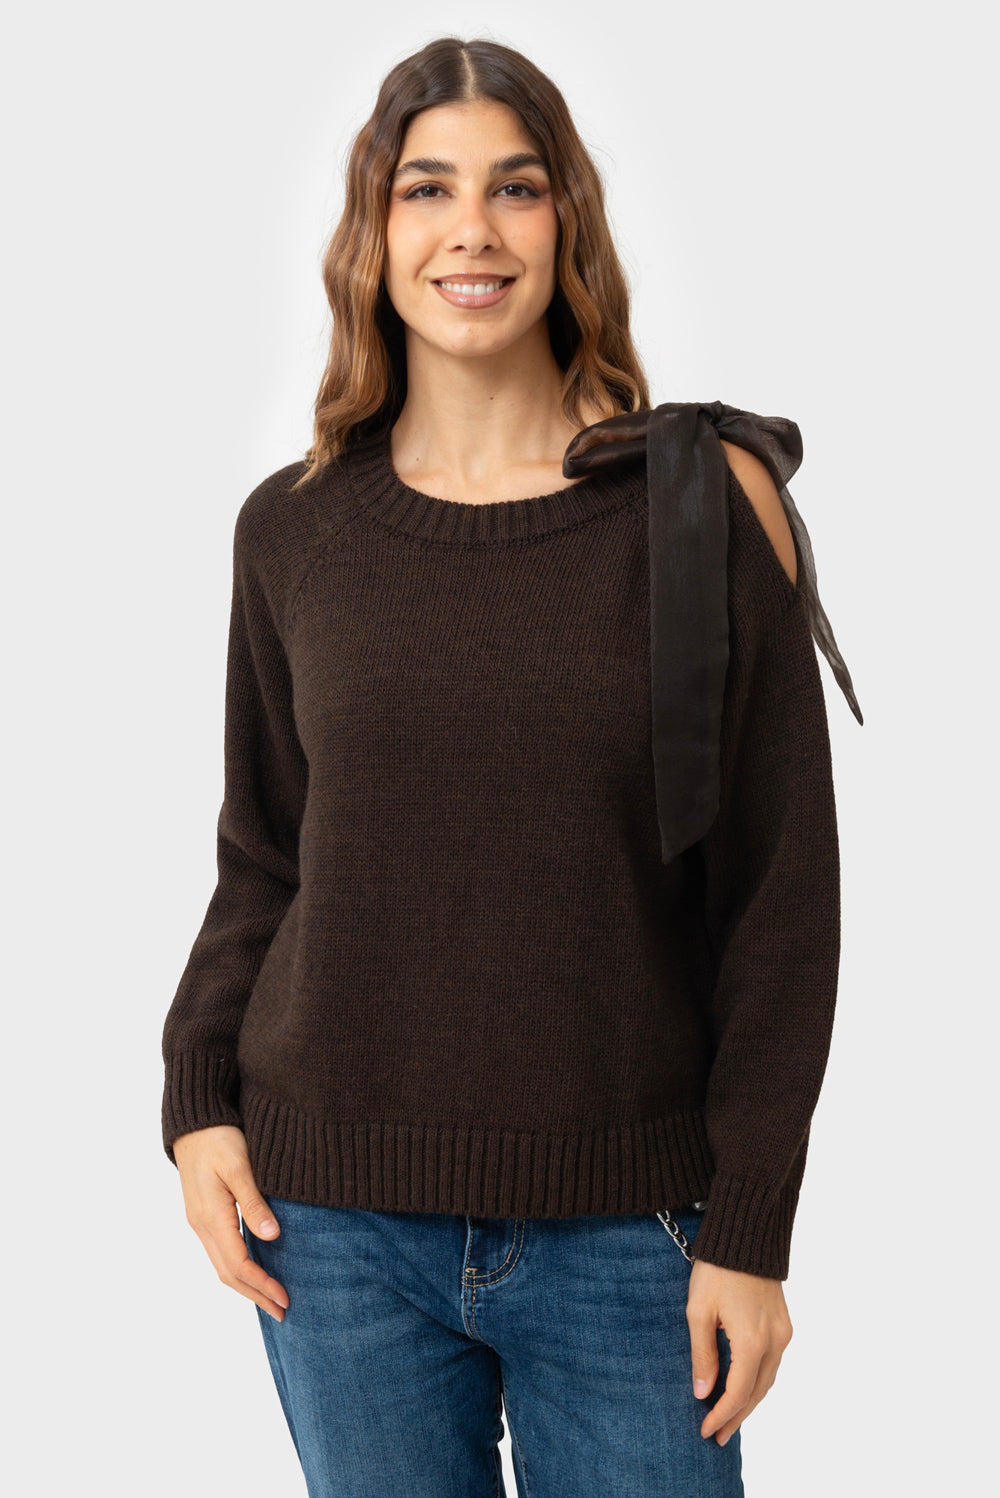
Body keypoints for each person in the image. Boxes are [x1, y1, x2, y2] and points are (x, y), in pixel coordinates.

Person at [161, 35, 862, 1498]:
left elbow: (780, 899)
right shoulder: (293, 528)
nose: (470, 229)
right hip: (331, 1228)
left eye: (515, 188)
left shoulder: (699, 505)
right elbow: (266, 857)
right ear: (374, 232)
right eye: (427, 189)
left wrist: (751, 1223)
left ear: (567, 223)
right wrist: (198, 1094)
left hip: (632, 1237)